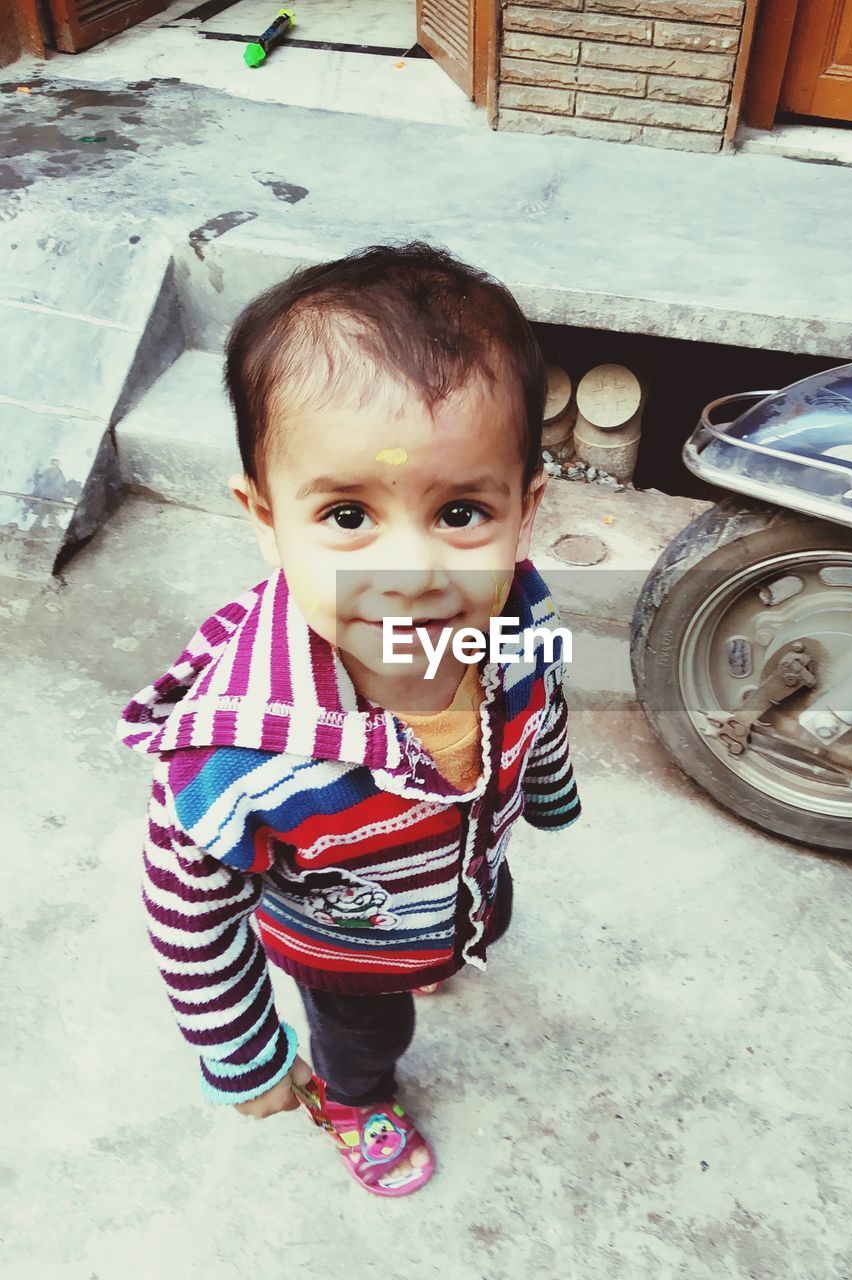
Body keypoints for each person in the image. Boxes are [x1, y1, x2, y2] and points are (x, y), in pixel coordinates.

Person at [117, 241, 581, 1197]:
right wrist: (242, 1057)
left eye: (460, 513)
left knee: (481, 912)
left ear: (525, 510)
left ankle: (447, 938)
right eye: (345, 516)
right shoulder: (238, 752)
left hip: (459, 867)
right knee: (366, 1032)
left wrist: (548, 794)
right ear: (264, 515)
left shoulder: (520, 611)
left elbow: (544, 704)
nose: (409, 572)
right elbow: (188, 916)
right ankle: (353, 1098)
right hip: (346, 942)